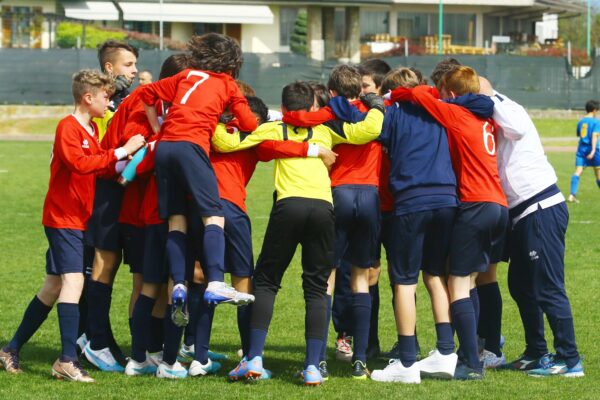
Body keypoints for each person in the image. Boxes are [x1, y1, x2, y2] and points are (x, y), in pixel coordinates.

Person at [211, 82, 384, 385]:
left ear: (285, 105)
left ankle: (253, 358)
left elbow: (227, 144)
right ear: (314, 107)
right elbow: (367, 131)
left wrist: (220, 119)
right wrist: (376, 106)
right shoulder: (325, 129)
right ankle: (313, 366)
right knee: (316, 288)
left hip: (288, 206)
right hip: (322, 209)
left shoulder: (275, 128)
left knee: (266, 281)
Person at [0, 70, 144, 382]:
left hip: (76, 219)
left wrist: (128, 158)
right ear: (88, 97)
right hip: (62, 218)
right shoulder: (68, 126)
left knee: (53, 286)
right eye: (106, 95)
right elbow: (80, 164)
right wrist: (123, 150)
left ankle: (10, 349)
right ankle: (66, 359)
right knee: (74, 282)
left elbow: (101, 162)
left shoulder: (90, 129)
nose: (110, 100)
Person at [387, 66, 508, 380]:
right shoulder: (485, 116)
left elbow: (413, 93)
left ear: (451, 94)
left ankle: (470, 362)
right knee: (471, 282)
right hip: (498, 204)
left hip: (474, 202)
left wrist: (392, 95)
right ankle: (478, 350)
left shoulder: (455, 114)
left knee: (458, 286)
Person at [139, 34, 257, 335]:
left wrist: (158, 128)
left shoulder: (186, 75)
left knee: (176, 220)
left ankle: (178, 283)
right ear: (231, 63)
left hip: (165, 148)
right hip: (192, 147)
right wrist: (227, 112)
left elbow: (147, 94)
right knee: (213, 215)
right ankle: (216, 281)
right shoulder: (227, 83)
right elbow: (250, 124)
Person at [479, 77, 584, 377]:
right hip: (521, 214)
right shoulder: (491, 110)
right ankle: (536, 351)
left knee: (548, 287)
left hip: (540, 207)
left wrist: (488, 97)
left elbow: (517, 128)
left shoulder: (506, 106)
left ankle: (570, 359)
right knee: (521, 285)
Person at [371, 68, 458, 384]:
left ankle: (407, 362)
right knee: (435, 275)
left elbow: (375, 137)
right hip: (448, 198)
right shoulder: (441, 110)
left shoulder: (393, 113)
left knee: (404, 281)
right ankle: (446, 353)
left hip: (411, 199)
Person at [80, 40, 140, 369]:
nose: (133, 71)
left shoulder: (122, 103)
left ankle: (95, 337)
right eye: (128, 65)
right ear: (109, 68)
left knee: (102, 267)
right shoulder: (102, 107)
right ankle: (95, 340)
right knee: (97, 268)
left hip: (117, 196)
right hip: (101, 196)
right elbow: (99, 155)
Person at [568, 99, 600, 203]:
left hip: (581, 149)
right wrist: (593, 150)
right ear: (595, 110)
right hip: (593, 149)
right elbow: (595, 135)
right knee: (598, 174)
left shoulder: (581, 121)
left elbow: (579, 134)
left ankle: (572, 195)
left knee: (578, 171)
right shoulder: (596, 122)